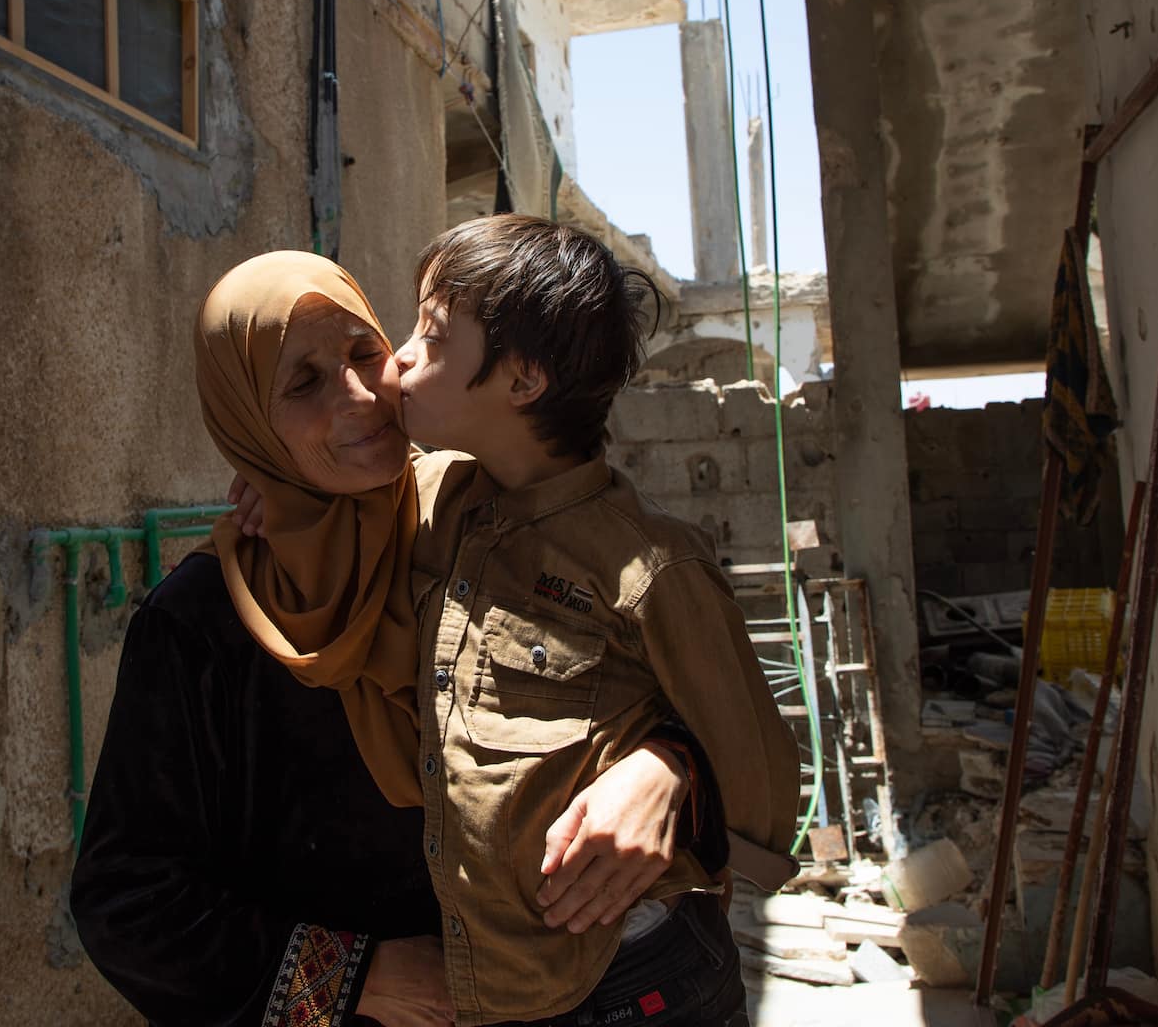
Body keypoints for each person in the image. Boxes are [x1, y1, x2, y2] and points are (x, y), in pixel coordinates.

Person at [69, 252, 701, 1027]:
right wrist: (353, 978)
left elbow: (655, 680)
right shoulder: (200, 627)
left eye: (366, 353)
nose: (362, 396)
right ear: (246, 423)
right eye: (303, 383)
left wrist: (665, 765)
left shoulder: (479, 529)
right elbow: (126, 901)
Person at [391, 214, 807, 1026]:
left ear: (521, 382)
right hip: (498, 981)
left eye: (434, 338)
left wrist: (673, 773)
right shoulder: (435, 498)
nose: (403, 355)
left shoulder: (650, 567)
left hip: (631, 979)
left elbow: (762, 789)